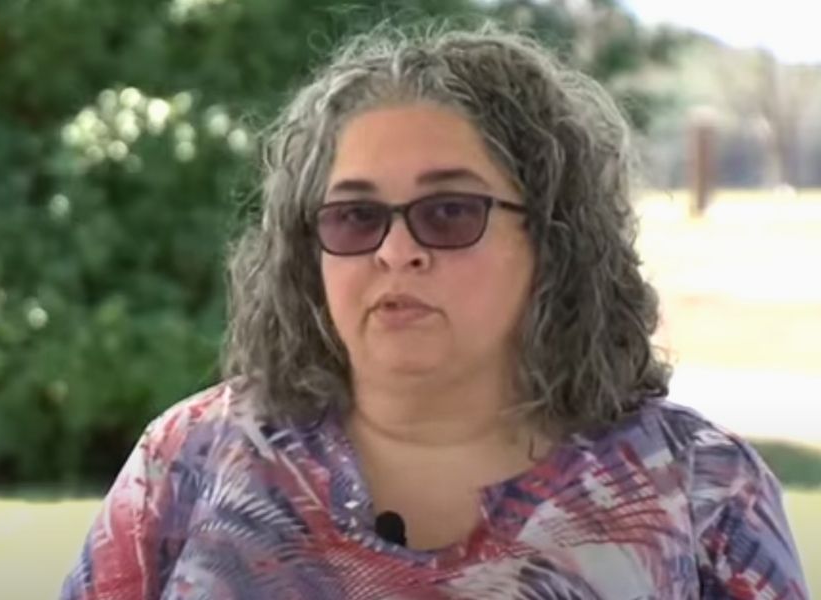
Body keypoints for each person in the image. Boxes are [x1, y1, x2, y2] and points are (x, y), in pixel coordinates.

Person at [60, 25, 809, 599]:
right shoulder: (191, 458)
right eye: (356, 217)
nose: (396, 252)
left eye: (448, 212)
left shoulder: (702, 489)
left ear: (555, 240)